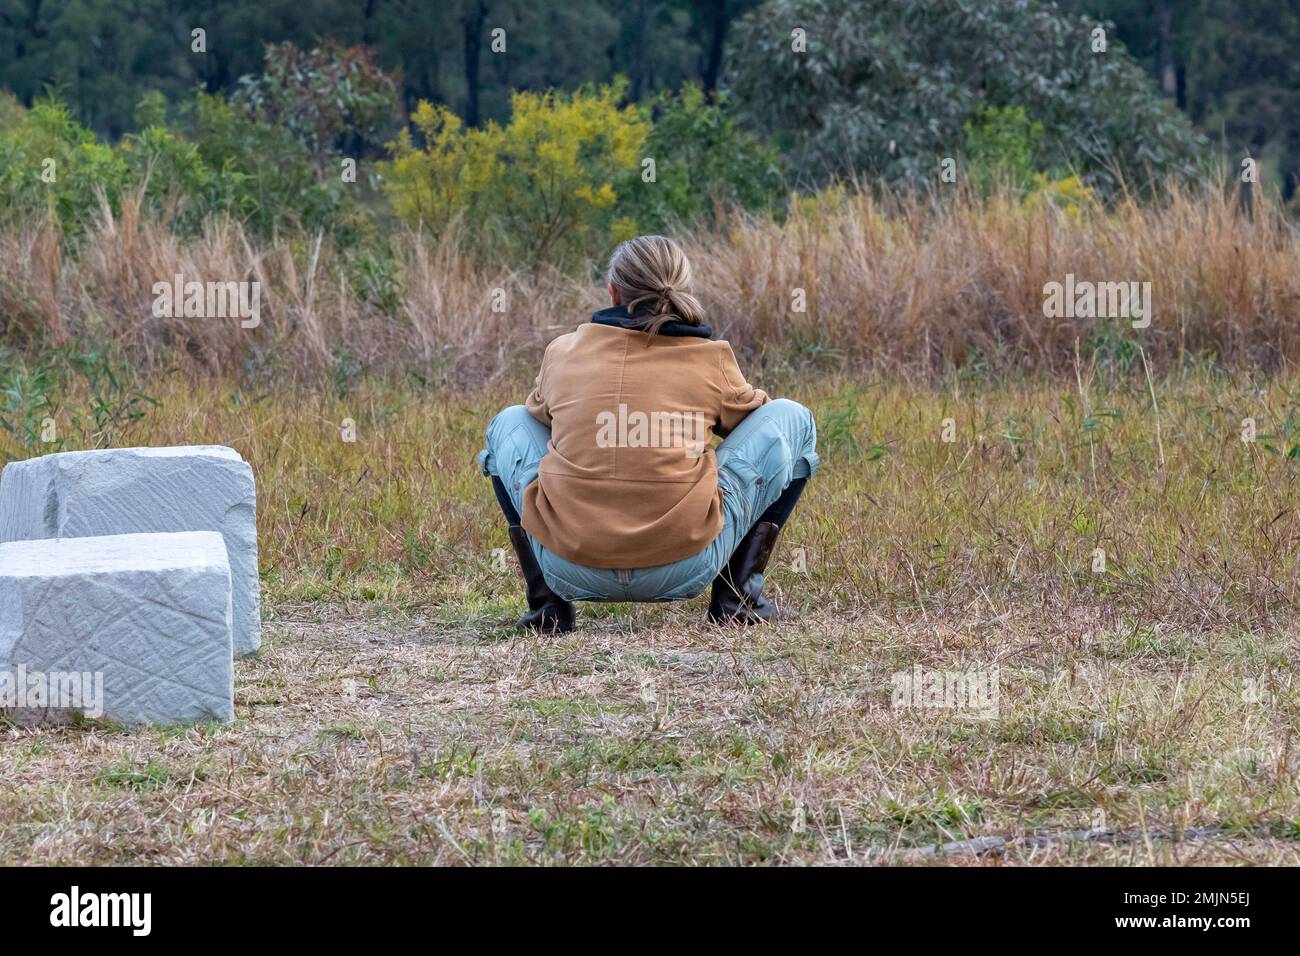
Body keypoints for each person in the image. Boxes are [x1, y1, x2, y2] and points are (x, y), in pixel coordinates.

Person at [478, 235, 818, 632]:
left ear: (613, 291)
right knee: (792, 417)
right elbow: (757, 419)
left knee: (509, 421)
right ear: (682, 292)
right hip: (687, 566)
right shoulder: (711, 358)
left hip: (567, 564)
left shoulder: (562, 352)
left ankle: (547, 608)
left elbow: (540, 417)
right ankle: (737, 602)